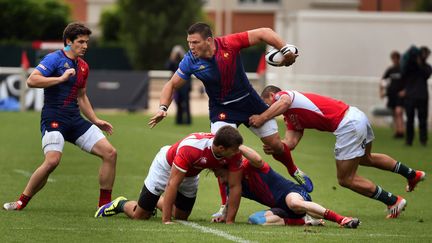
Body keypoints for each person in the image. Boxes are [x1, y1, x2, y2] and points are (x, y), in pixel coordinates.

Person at [147, 22, 313, 215]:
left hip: (248, 101)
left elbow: (263, 32)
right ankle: (224, 206)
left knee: (275, 145)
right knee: (221, 152)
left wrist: (284, 49)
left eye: (195, 42)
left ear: (209, 40)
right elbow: (171, 85)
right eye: (189, 42)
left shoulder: (229, 44)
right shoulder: (190, 60)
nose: (191, 47)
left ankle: (293, 170)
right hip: (221, 109)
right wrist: (162, 108)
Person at [249, 85, 426, 219]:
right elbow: (291, 143)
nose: (268, 110)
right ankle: (411, 174)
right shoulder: (291, 119)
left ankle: (393, 201)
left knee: (345, 179)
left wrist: (262, 117)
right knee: (366, 158)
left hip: (348, 125)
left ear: (272, 96)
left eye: (267, 105)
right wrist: (276, 146)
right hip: (356, 117)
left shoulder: (284, 96)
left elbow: (284, 102)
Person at [3, 22, 117, 211]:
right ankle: (22, 201)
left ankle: (104, 206)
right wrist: (61, 78)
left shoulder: (83, 66)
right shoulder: (54, 59)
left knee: (110, 153)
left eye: (87, 42)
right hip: (54, 118)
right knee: (52, 161)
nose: (85, 46)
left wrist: (95, 120)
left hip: (75, 119)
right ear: (68, 42)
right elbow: (31, 80)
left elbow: (81, 96)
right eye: (80, 42)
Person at [95, 126, 244, 224]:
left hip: (191, 174)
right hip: (166, 167)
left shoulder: (233, 152)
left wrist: (230, 221)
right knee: (140, 216)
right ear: (221, 148)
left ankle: (154, 201)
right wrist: (166, 220)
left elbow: (235, 186)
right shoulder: (191, 148)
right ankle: (121, 203)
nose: (238, 152)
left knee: (181, 217)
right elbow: (172, 183)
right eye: (234, 150)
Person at [211, 146, 360, 228]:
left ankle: (341, 219)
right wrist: (221, 217)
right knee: (254, 220)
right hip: (281, 210)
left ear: (230, 169)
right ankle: (304, 221)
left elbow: (257, 158)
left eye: (222, 175)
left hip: (293, 193)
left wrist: (236, 145)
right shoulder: (233, 186)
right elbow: (229, 207)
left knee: (294, 204)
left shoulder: (249, 166)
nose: (221, 180)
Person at [401, 46, 431, 146]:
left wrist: (419, 63)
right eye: (423, 53)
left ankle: (423, 140)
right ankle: (409, 141)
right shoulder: (410, 66)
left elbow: (426, 74)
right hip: (410, 96)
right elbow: (403, 71)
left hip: (422, 97)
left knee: (423, 120)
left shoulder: (427, 67)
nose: (425, 56)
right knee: (409, 120)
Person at [379, 51, 405, 138]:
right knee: (394, 112)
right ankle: (397, 131)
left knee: (399, 111)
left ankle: (401, 130)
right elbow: (383, 80)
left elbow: (409, 82)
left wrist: (405, 90)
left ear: (399, 59)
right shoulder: (390, 70)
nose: (394, 60)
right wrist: (381, 91)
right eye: (393, 58)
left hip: (400, 95)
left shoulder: (403, 69)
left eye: (396, 58)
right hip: (391, 94)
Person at [166, 45, 191, 125]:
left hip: (185, 85)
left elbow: (189, 71)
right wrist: (172, 57)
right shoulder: (173, 62)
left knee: (186, 103)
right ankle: (179, 120)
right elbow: (167, 66)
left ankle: (188, 121)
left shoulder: (185, 60)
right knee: (178, 103)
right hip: (177, 86)